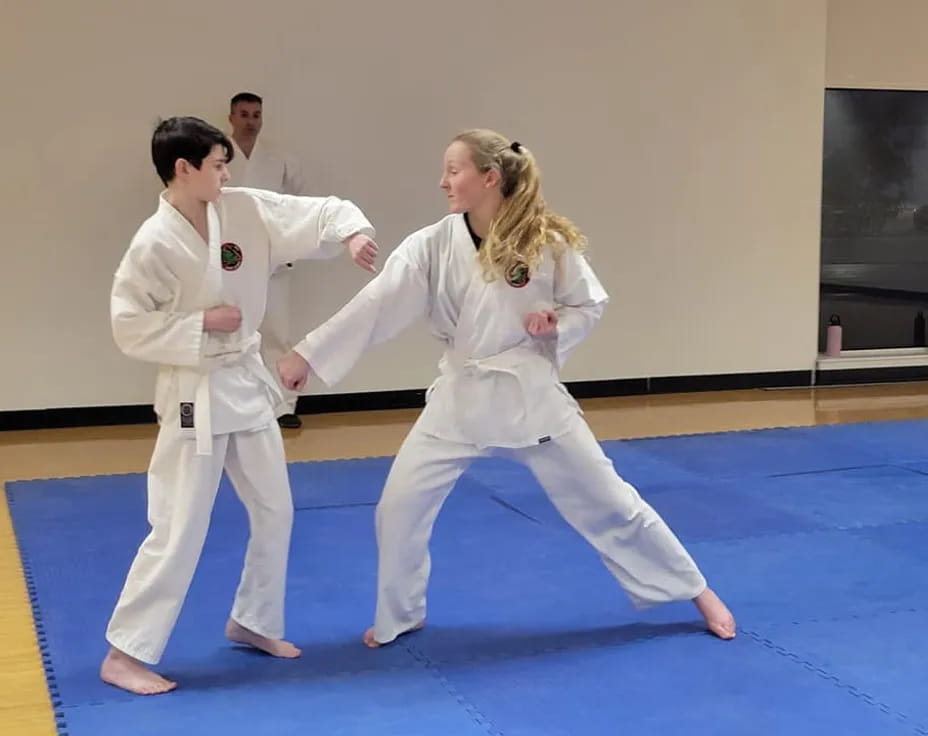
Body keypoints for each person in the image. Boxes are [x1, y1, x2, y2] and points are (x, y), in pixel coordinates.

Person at [277, 129, 736, 648]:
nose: (443, 181)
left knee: (609, 500)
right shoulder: (431, 245)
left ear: (489, 178)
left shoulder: (546, 242)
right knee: (398, 508)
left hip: (529, 398)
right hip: (461, 398)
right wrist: (308, 356)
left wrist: (555, 324)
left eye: (454, 170)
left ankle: (695, 589)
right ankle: (401, 613)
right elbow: (378, 303)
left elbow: (589, 304)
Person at [101, 116, 378, 695]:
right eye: (218, 165)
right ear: (184, 169)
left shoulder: (244, 210)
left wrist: (352, 233)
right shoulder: (153, 242)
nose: (227, 174)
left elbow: (318, 212)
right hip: (193, 394)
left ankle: (253, 620)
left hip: (245, 385)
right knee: (179, 525)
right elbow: (128, 326)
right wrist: (200, 322)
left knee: (276, 509)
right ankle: (125, 653)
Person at [226, 91, 308, 428]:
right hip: (228, 258)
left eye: (256, 115)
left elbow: (297, 206)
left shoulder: (279, 159)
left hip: (272, 256)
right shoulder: (217, 157)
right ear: (231, 118)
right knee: (231, 334)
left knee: (276, 332)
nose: (250, 121)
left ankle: (283, 406)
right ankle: (235, 406)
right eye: (244, 114)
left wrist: (291, 248)